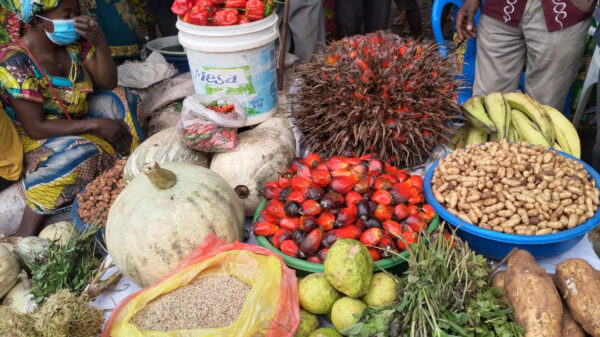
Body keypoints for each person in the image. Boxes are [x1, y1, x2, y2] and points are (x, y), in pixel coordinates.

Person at [0, 0, 143, 236]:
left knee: (122, 99)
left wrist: (101, 43)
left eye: (77, 12)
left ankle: (129, 168)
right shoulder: (15, 61)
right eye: (66, 13)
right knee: (81, 153)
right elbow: (36, 127)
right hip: (39, 135)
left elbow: (107, 83)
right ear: (38, 18)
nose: (75, 19)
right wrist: (95, 124)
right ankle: (26, 230)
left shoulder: (75, 44)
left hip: (80, 116)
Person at [456, 0, 595, 111]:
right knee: (487, 106)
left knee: (543, 112)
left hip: (563, 10)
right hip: (501, 7)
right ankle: (487, 146)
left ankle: (535, 146)